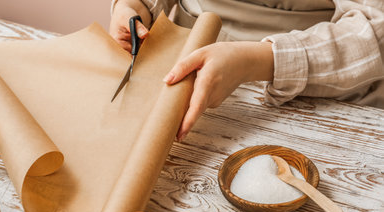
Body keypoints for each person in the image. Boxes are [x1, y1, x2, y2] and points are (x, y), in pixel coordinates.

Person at [110, 0, 384, 142]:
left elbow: (375, 31)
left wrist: (256, 60)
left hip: (313, 99)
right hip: (182, 72)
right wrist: (134, 6)